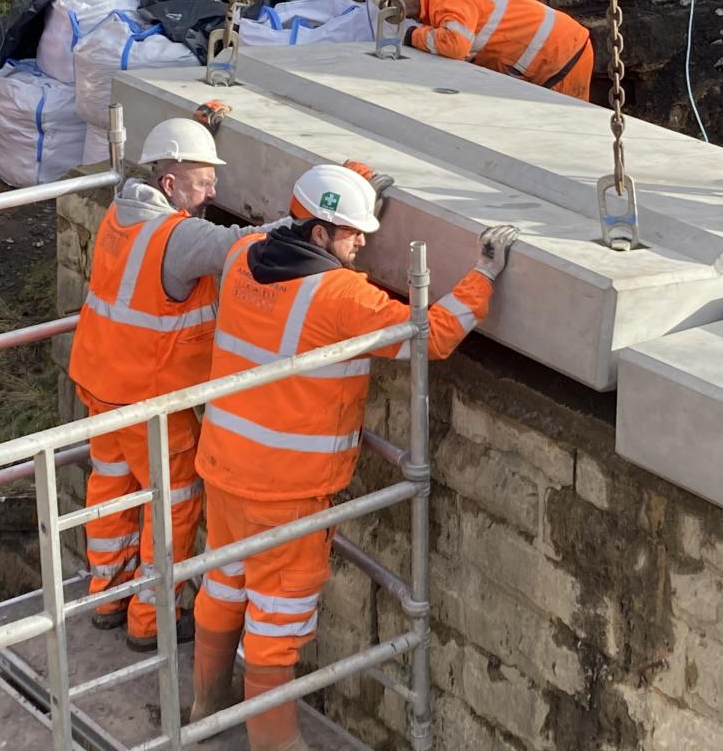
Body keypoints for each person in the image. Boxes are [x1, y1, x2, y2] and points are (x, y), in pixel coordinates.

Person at [187, 163, 519, 749]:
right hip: (288, 493)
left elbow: (279, 223)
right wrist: (484, 275)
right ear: (319, 234)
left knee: (223, 582)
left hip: (224, 467)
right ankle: (275, 744)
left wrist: (349, 182)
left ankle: (206, 706)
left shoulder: (243, 260)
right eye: (351, 233)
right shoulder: (340, 297)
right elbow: (431, 335)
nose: (363, 243)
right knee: (276, 625)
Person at [64, 107, 277, 650]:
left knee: (110, 489)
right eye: (203, 182)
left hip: (101, 384)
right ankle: (149, 621)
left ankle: (106, 597)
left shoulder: (121, 207)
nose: (212, 193)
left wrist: (197, 127)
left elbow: (132, 171)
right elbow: (246, 246)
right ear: (169, 183)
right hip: (150, 398)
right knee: (174, 502)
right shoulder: (179, 238)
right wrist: (312, 218)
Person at [378, 0, 593, 101]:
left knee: (565, 128)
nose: (405, 16)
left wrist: (415, 36)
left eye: (399, 9)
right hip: (555, 53)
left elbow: (456, 44)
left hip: (560, 56)